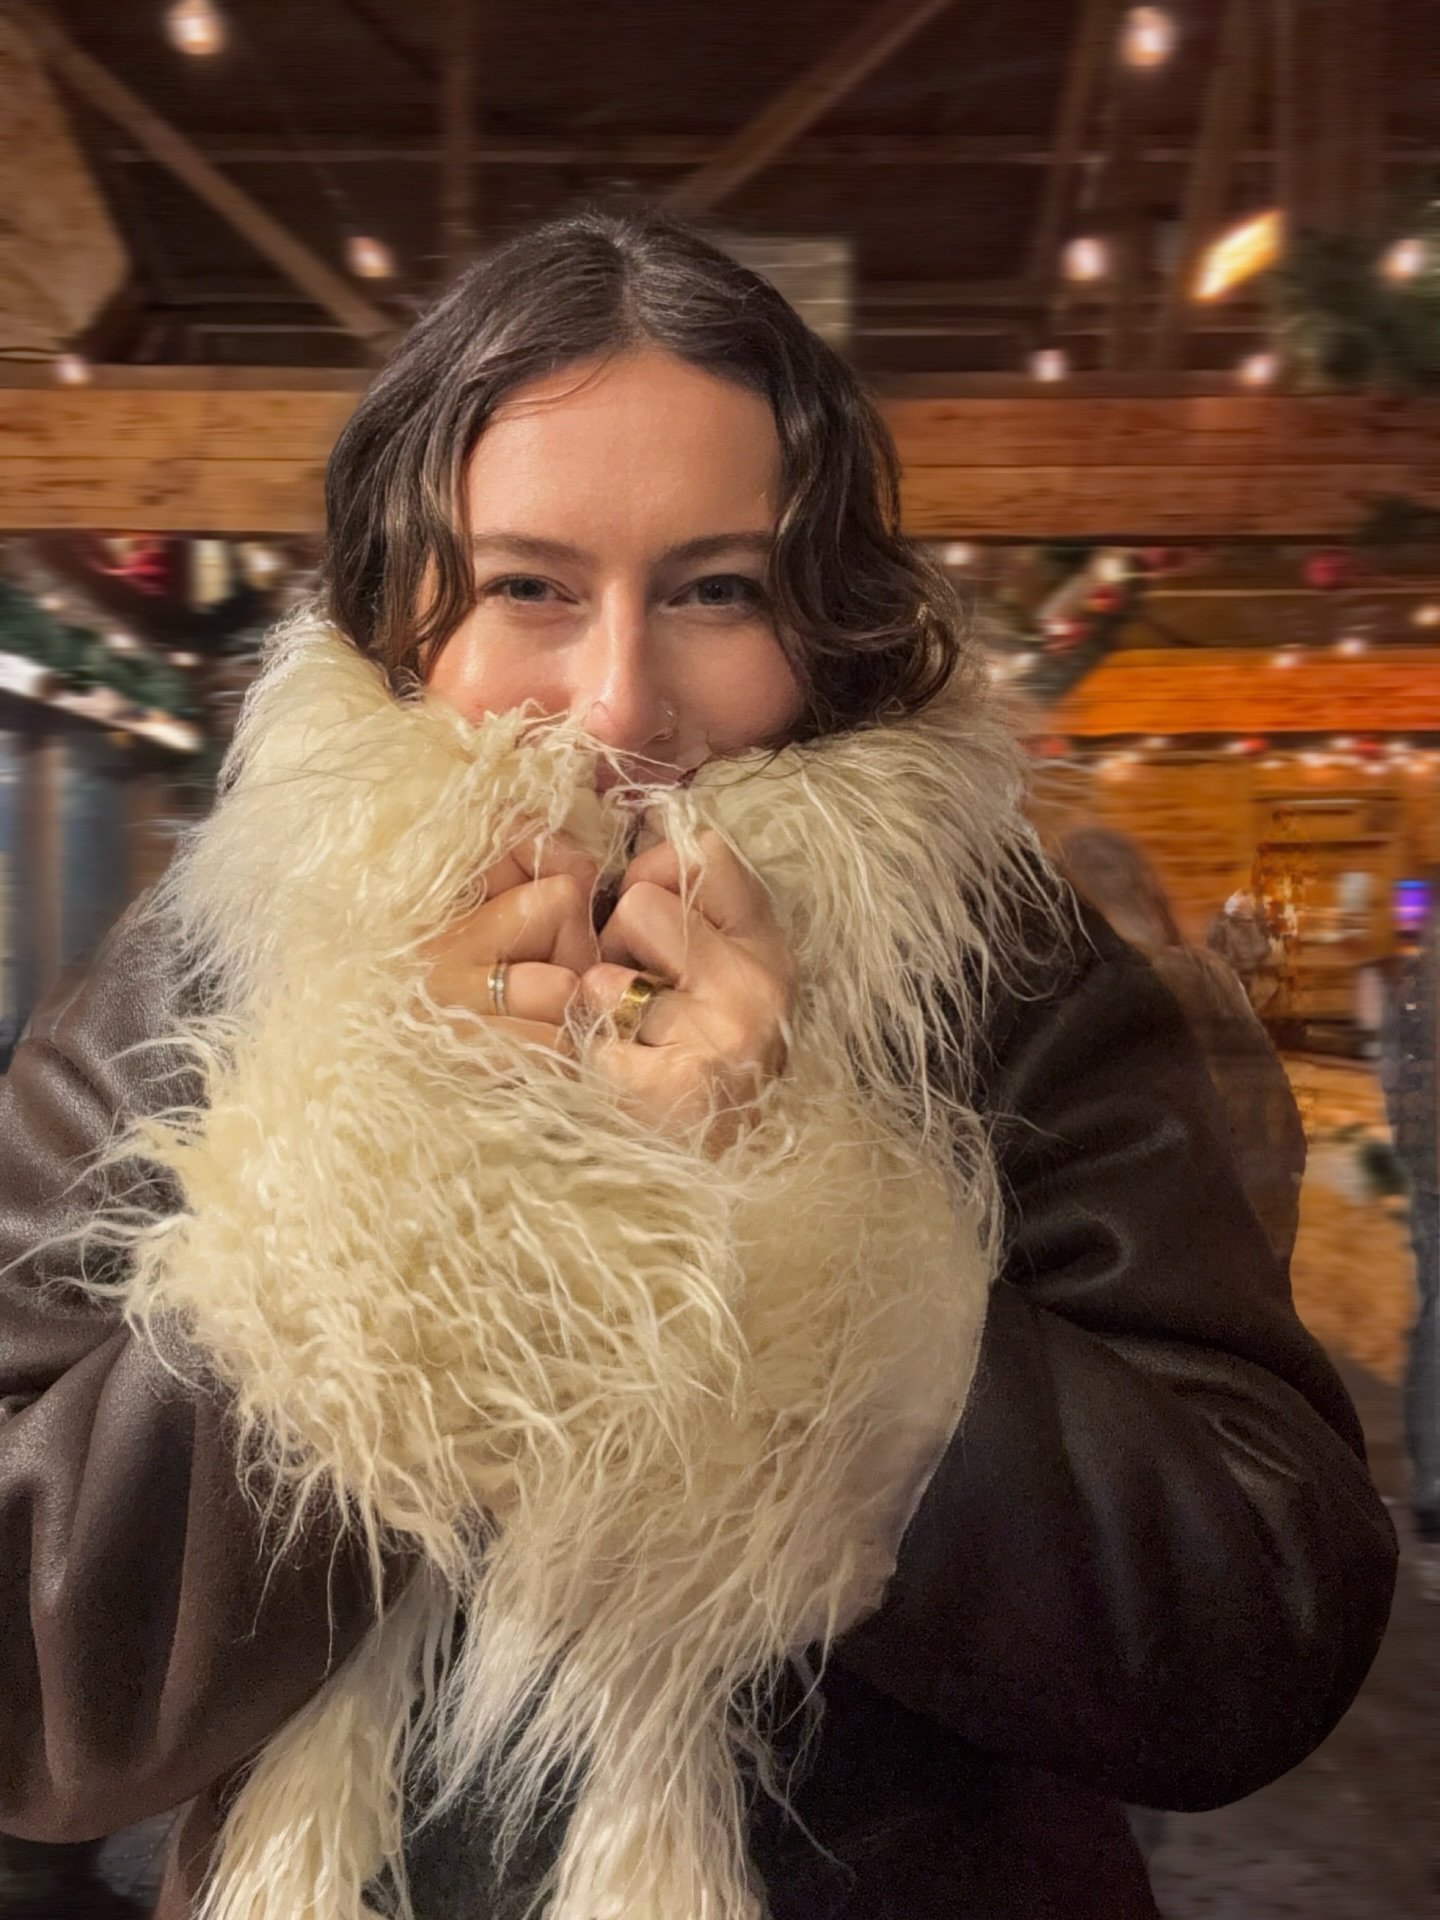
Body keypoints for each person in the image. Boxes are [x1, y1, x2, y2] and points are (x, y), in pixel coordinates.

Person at [0, 208, 1395, 1920]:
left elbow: (1254, 1637)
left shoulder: (1006, 976)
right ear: (401, 615)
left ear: (825, 628)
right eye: (528, 586)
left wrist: (794, 1239)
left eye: (716, 590)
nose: (615, 701)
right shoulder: (200, 973)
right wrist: (385, 1203)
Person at [1061, 826, 1307, 1265]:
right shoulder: (1212, 980)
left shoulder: (1099, 998)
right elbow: (1281, 1131)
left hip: (1160, 1278)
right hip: (1250, 1254)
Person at [1377, 881, 1440, 1597]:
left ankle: (1431, 1480)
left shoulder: (1416, 977)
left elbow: (1395, 1073)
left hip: (1428, 1169)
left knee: (1434, 1314)